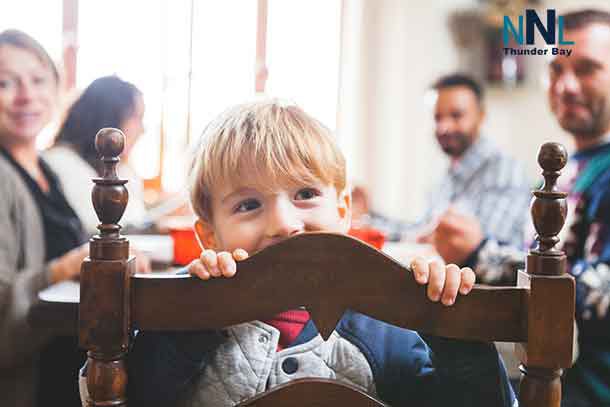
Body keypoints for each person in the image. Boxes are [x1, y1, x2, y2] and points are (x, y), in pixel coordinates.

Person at [103, 99, 517, 407]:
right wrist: (193, 314)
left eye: (305, 194)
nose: (284, 224)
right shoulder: (184, 306)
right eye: (248, 205)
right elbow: (137, 396)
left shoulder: (389, 319)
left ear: (342, 211)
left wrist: (455, 332)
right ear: (209, 235)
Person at [428, 10, 610, 406]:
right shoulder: (568, 172)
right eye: (556, 69)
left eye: (587, 69)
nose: (566, 85)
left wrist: (481, 253)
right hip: (546, 372)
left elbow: (601, 292)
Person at [0, 29, 91, 407]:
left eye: (38, 80)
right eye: (5, 82)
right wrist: (62, 268)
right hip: (27, 387)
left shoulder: (44, 169)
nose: (27, 96)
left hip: (67, 370)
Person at [416, 74, 530, 254]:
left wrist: (432, 235)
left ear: (481, 116)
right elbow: (421, 229)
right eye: (438, 117)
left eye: (456, 115)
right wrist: (367, 216)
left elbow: (483, 246)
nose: (444, 127)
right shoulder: (448, 175)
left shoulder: (505, 170)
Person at [44, 75, 148, 234]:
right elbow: (96, 225)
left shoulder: (122, 169)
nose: (142, 130)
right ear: (109, 118)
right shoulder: (61, 162)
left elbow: (137, 219)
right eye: (136, 117)